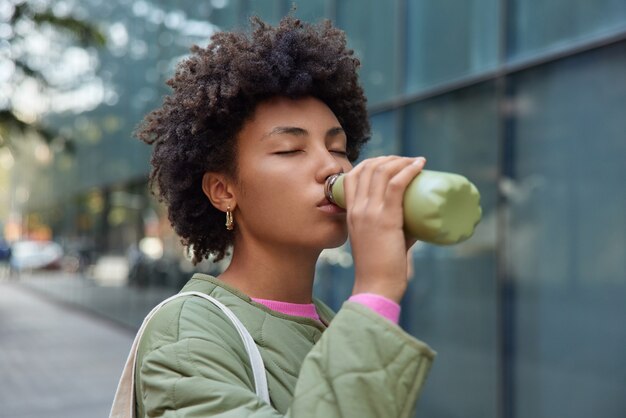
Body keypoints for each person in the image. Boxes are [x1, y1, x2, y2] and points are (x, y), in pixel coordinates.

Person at [131, 15, 435, 417]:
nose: (332, 168)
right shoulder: (186, 331)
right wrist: (376, 289)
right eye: (291, 150)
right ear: (224, 191)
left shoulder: (331, 322)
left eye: (339, 148)